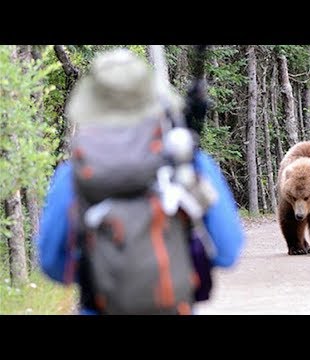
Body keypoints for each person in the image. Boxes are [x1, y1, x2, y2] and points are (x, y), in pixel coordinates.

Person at [37, 48, 245, 315]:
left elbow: (53, 266)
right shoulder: (186, 162)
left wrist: (104, 270)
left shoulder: (73, 175)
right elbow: (227, 251)